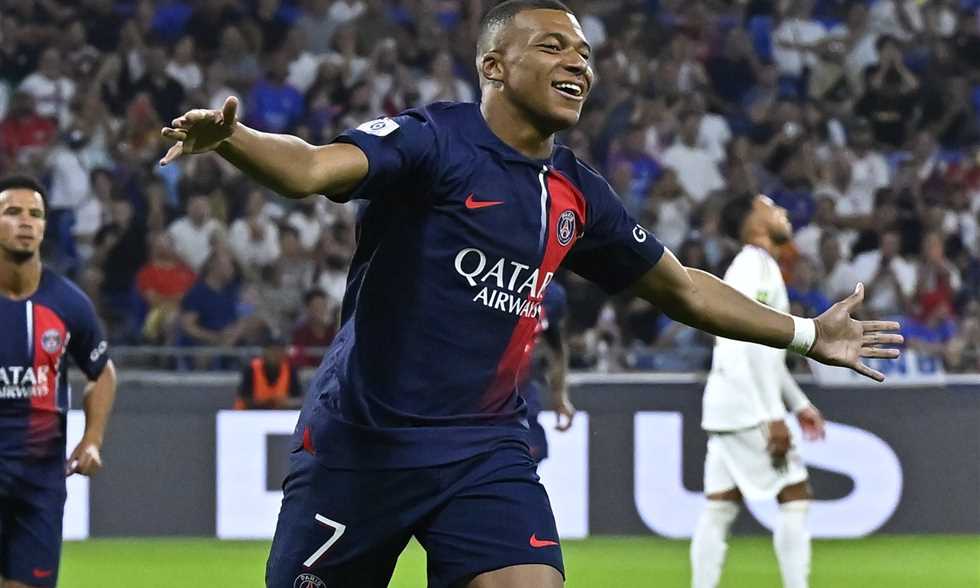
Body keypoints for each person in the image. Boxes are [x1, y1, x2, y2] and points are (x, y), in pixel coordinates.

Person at [160, 2, 902, 586]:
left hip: (483, 450)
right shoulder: (433, 141)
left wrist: (808, 334)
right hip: (362, 442)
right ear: (494, 65)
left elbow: (683, 289)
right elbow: (312, 168)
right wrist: (233, 139)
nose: (577, 60)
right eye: (552, 46)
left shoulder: (578, 193)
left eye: (583, 52)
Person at [690, 194, 826, 588]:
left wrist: (799, 404)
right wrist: (772, 417)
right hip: (745, 408)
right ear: (753, 223)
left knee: (720, 506)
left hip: (729, 404)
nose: (783, 212)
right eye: (770, 207)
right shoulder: (753, 268)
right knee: (795, 495)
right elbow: (741, 344)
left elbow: (767, 354)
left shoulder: (760, 266)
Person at [0, 175, 117, 588]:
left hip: (39, 485)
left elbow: (102, 372)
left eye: (35, 214)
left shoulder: (67, 303)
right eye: (13, 212)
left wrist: (92, 439)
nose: (25, 221)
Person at [522, 281, 574, 462]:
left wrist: (559, 395)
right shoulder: (470, 277)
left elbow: (556, 343)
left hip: (521, 403)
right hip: (471, 405)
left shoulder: (550, 295)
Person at [235, 333, 303, 410]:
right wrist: (269, 403)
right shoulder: (251, 369)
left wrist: (288, 403)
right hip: (250, 413)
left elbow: (298, 399)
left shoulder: (290, 370)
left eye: (279, 350)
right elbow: (244, 398)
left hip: (279, 414)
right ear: (264, 351)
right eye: (272, 350)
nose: (276, 354)